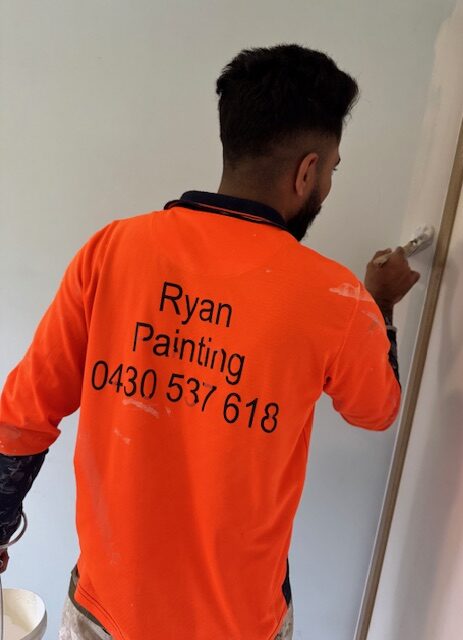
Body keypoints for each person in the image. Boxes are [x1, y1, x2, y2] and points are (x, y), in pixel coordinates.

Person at [0, 44, 420, 640]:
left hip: (106, 610)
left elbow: (22, 416)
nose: (326, 184)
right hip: (238, 623)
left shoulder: (113, 251)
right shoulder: (337, 298)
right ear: (306, 172)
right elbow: (377, 410)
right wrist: (382, 306)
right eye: (331, 169)